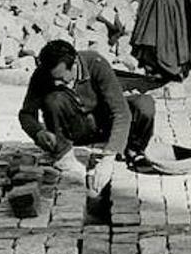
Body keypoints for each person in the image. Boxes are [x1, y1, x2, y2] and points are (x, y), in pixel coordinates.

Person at [19, 39, 156, 172]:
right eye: (53, 79)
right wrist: (38, 132)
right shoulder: (42, 74)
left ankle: (133, 150)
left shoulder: (96, 63)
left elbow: (120, 112)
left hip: (102, 125)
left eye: (60, 78)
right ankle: (63, 154)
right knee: (54, 99)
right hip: (74, 131)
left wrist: (110, 154)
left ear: (74, 65)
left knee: (144, 104)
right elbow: (26, 114)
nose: (55, 83)